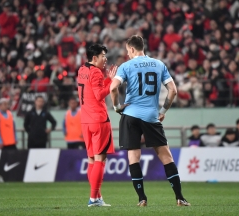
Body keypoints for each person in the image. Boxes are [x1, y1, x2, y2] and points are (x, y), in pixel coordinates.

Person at [110, 35, 190, 207]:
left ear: (131, 49)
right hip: (151, 116)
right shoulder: (159, 64)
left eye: (127, 51)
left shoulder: (126, 66)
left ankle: (142, 198)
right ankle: (180, 198)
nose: (128, 54)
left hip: (130, 115)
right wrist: (163, 111)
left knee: (134, 157)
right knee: (166, 156)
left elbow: (113, 87)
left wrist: (117, 107)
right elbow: (173, 90)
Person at [77, 44, 117, 207]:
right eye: (103, 56)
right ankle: (93, 198)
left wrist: (107, 80)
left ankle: (97, 197)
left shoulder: (82, 70)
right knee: (100, 159)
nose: (105, 59)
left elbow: (92, 90)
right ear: (94, 58)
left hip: (86, 120)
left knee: (92, 160)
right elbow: (100, 94)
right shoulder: (95, 72)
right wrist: (112, 82)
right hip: (99, 120)